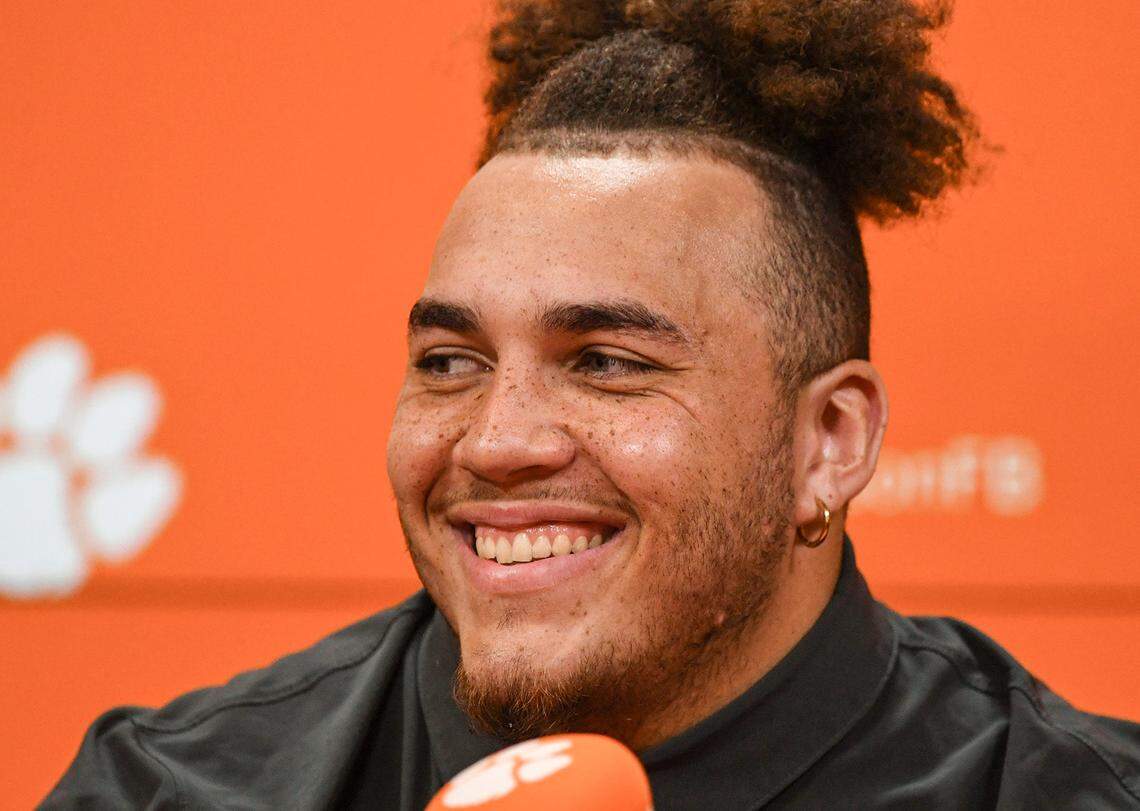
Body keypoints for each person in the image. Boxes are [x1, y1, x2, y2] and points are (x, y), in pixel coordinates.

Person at [44, 0, 1140, 808]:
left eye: (607, 362)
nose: (498, 438)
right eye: (450, 361)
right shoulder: (165, 791)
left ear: (829, 441)